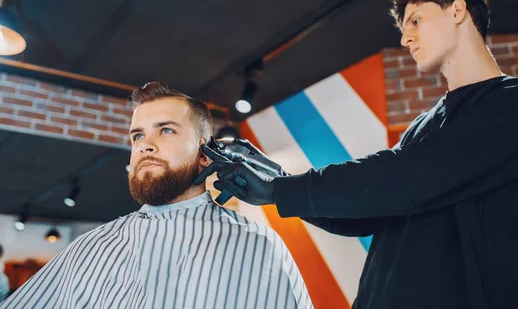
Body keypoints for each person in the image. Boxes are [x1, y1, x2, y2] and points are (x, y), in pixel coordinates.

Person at [199, 0, 518, 309]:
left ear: (458, 11)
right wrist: (275, 176)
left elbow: (412, 176)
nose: (405, 38)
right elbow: (369, 209)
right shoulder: (423, 126)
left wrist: (280, 189)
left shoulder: (515, 102)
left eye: (415, 20)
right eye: (403, 29)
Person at [1, 83, 312, 309]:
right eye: (138, 135)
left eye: (166, 130)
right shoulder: (92, 246)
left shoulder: (257, 244)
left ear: (206, 153)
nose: (144, 145)